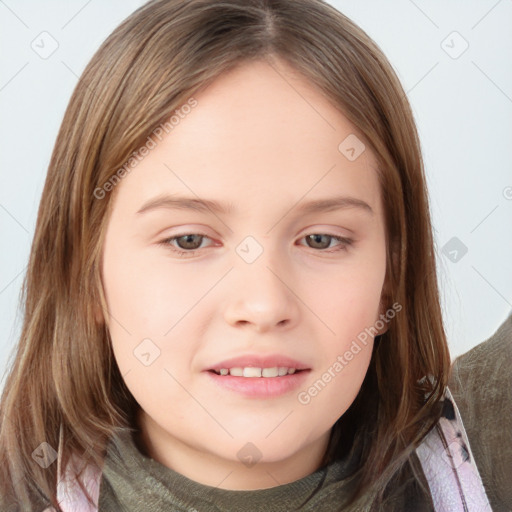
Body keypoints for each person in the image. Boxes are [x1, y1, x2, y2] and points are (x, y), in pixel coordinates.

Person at [0, 0, 505, 510]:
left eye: (321, 239)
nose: (264, 305)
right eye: (189, 240)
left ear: (392, 274)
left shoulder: (490, 449)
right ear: (85, 275)